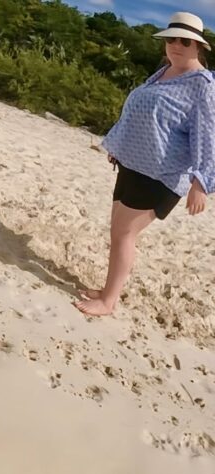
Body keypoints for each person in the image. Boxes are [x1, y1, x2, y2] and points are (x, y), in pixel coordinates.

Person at [76, 11, 215, 316]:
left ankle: (109, 301)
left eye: (185, 41)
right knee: (118, 231)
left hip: (160, 176)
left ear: (198, 46)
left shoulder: (203, 84)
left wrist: (201, 182)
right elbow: (137, 114)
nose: (176, 45)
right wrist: (118, 146)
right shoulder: (163, 71)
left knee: (124, 234)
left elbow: (208, 134)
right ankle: (108, 289)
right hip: (133, 164)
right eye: (171, 39)